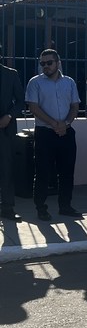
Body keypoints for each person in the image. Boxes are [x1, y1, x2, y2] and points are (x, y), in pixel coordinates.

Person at [25, 49, 81, 221]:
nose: (46, 66)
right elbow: (33, 107)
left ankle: (65, 206)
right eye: (43, 63)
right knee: (43, 172)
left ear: (58, 63)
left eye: (49, 63)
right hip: (45, 133)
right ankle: (41, 208)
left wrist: (66, 123)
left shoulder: (69, 82)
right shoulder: (35, 82)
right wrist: (54, 123)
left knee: (67, 171)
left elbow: (75, 106)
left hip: (66, 132)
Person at [0, 60, 25, 221]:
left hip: (5, 129)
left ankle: (7, 208)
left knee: (6, 169)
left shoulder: (10, 74)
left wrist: (9, 116)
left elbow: (21, 101)